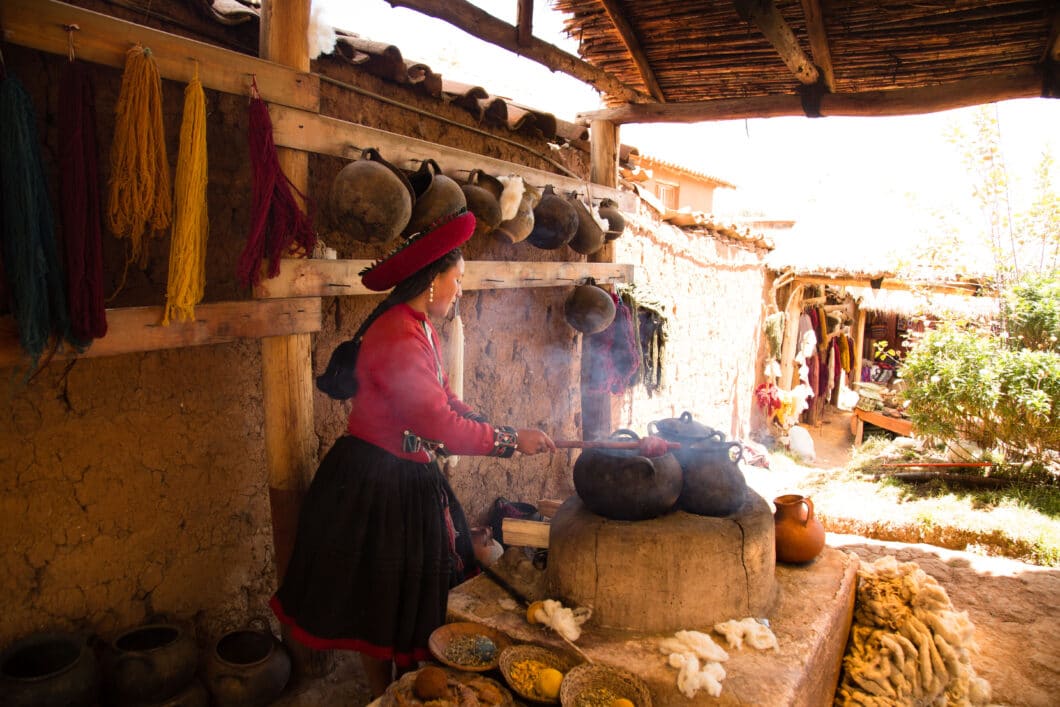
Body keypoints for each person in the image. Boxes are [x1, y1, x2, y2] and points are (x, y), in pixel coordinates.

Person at [269, 209, 555, 696]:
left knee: (403, 598)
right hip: (376, 483)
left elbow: (445, 400)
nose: (460, 289)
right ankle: (385, 693)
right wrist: (508, 441)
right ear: (432, 280)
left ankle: (402, 686)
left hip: (406, 475)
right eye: (457, 279)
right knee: (378, 601)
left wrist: (489, 424)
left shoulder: (420, 327)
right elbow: (437, 425)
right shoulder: (398, 335)